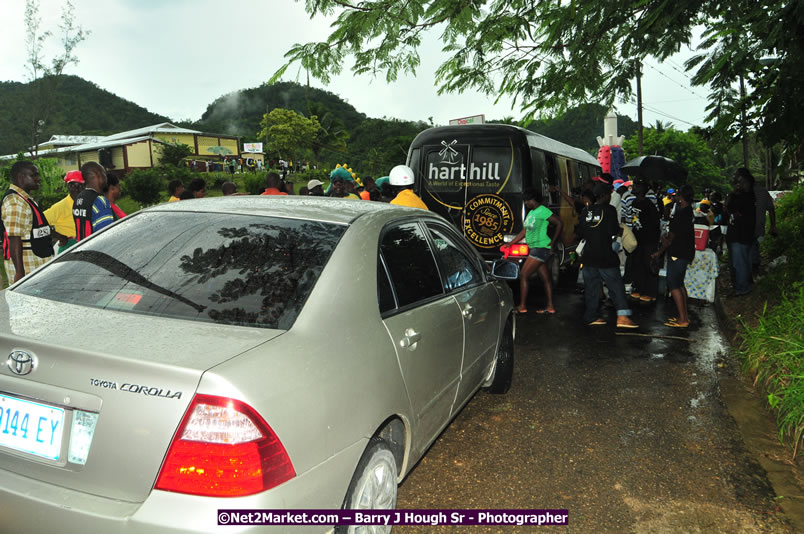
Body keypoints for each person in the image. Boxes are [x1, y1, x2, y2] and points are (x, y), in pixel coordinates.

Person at [578, 182, 637, 328]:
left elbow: (581, 232)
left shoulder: (586, 210)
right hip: (605, 255)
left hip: (589, 255)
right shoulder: (609, 210)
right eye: (610, 194)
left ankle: (590, 316)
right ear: (604, 195)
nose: (611, 197)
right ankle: (623, 316)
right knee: (616, 286)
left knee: (591, 288)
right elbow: (613, 230)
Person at [506, 188, 562, 314]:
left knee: (524, 275)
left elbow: (559, 223)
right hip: (535, 248)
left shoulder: (543, 211)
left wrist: (553, 243)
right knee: (546, 279)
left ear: (533, 200)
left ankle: (522, 306)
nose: (526, 203)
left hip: (540, 248)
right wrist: (510, 243)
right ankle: (550, 307)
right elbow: (525, 231)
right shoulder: (532, 212)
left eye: (527, 201)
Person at [1, 161, 54, 283]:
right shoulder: (15, 202)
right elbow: (14, 238)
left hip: (36, 265)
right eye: (34, 175)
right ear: (21, 177)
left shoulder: (25, 200)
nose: (39, 178)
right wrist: (19, 273)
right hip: (28, 270)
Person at [652, 185, 695, 327]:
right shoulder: (688, 212)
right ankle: (684, 316)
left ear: (681, 198)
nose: (675, 197)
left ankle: (683, 319)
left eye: (677, 195)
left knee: (674, 284)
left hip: (678, 253)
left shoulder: (681, 214)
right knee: (679, 283)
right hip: (685, 252)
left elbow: (670, 238)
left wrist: (660, 250)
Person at [725, 168, 756, 296]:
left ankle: (742, 287)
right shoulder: (740, 195)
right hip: (738, 234)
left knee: (740, 262)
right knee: (741, 261)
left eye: (737, 178)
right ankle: (742, 285)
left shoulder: (745, 196)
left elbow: (732, 207)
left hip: (741, 235)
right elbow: (729, 207)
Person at [629, 182, 661, 302]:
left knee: (649, 265)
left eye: (637, 185)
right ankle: (639, 289)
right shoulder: (633, 203)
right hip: (637, 239)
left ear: (643, 188)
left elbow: (656, 224)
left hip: (649, 240)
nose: (634, 187)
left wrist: (655, 242)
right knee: (638, 264)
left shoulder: (649, 205)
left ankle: (651, 292)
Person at [44, 170, 84, 254]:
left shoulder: (87, 202)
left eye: (81, 185)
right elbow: (39, 222)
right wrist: (60, 237)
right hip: (69, 246)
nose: (78, 189)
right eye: (73, 186)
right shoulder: (60, 207)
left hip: (86, 242)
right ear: (68, 186)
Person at [73, 162, 114, 242]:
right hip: (98, 250)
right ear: (98, 174)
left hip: (83, 249)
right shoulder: (99, 201)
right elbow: (107, 235)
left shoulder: (78, 199)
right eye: (104, 174)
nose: (106, 178)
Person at [751, 176, 777, 273]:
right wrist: (773, 225)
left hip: (749, 227)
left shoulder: (744, 192)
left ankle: (754, 267)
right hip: (759, 226)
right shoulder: (763, 191)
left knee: (752, 246)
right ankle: (755, 266)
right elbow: (771, 209)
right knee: (755, 245)